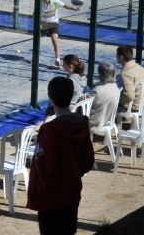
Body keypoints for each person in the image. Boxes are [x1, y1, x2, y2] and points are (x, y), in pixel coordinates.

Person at [27, 76, 94, 235]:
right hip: (72, 192)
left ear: (51, 97)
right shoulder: (82, 124)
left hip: (51, 198)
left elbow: (44, 168)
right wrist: (72, 174)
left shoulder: (50, 130)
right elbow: (88, 160)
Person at [39, 0, 82, 68]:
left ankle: (58, 60)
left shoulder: (55, 1)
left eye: (46, 0)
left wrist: (75, 8)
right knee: (36, 38)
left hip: (53, 23)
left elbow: (65, 6)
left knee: (54, 39)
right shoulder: (39, 3)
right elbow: (35, 13)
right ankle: (36, 56)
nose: (45, 2)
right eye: (43, 0)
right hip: (43, 23)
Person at [116, 45, 144, 112]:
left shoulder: (126, 74)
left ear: (121, 58)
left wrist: (115, 98)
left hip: (133, 107)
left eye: (116, 55)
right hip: (143, 104)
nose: (116, 57)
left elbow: (129, 96)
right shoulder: (143, 69)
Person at [88, 62, 120, 128]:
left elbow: (82, 101)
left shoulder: (97, 90)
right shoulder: (115, 87)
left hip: (94, 121)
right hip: (108, 119)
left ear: (101, 74)